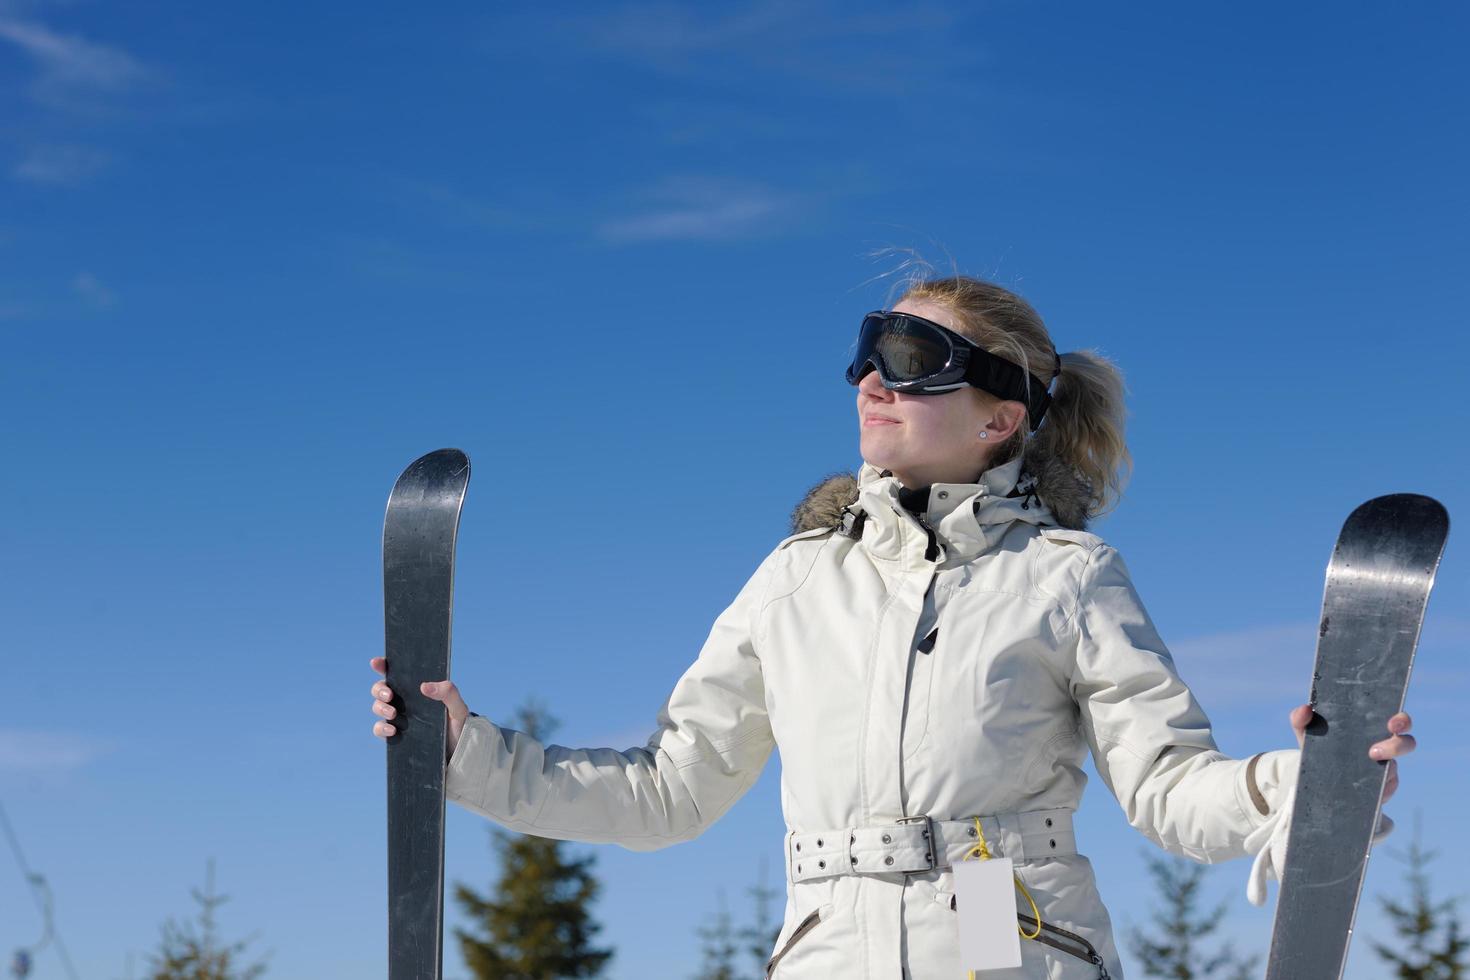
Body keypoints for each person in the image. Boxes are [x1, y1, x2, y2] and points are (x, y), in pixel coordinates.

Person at [368, 276, 1416, 979]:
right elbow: (668, 789)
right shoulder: (795, 581)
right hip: (833, 947)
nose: (873, 376)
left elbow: (1167, 785)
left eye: (913, 355)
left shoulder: (1066, 577)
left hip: (1005, 931)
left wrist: (1296, 787)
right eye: (869, 349)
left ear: (1001, 412)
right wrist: (471, 756)